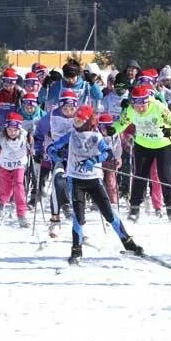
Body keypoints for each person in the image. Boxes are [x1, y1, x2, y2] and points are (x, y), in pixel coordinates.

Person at [47, 105, 143, 265]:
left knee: (109, 214)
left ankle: (129, 244)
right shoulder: (71, 136)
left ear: (88, 122)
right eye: (75, 120)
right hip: (75, 180)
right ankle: (76, 251)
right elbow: (53, 146)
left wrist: (94, 160)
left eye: (80, 121)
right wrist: (55, 152)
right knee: (78, 217)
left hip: (93, 180)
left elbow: (108, 153)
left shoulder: (95, 136)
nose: (76, 123)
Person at [108, 85, 171, 222]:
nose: (140, 108)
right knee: (140, 175)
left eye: (143, 105)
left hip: (163, 144)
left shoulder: (158, 107)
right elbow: (121, 123)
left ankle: (170, 207)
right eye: (137, 105)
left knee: (164, 174)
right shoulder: (131, 110)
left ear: (148, 101)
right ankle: (134, 208)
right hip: (143, 145)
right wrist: (113, 130)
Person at [33, 89, 79, 237]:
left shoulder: (80, 116)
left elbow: (92, 134)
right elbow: (38, 134)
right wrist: (39, 151)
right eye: (65, 108)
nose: (69, 111)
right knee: (58, 182)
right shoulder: (51, 117)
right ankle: (55, 221)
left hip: (77, 157)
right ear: (60, 106)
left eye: (72, 108)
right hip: (58, 156)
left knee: (78, 187)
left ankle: (79, 224)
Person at [0, 112, 31, 227]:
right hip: (4, 167)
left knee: (19, 186)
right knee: (6, 191)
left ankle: (21, 214)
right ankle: (1, 203)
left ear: (19, 129)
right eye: (9, 130)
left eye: (15, 130)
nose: (12, 133)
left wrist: (32, 146)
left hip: (19, 166)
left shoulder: (25, 136)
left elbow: (35, 150)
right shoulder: (1, 137)